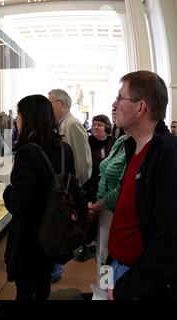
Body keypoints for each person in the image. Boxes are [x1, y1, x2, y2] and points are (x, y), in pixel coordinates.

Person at [107, 70, 177, 300]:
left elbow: (168, 240)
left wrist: (127, 288)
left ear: (140, 108)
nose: (114, 104)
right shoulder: (132, 146)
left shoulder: (167, 153)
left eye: (120, 97)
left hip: (137, 280)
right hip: (115, 266)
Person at [3, 94, 76, 300]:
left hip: (30, 237)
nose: (16, 119)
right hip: (54, 232)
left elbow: (18, 205)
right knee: (43, 283)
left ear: (29, 117)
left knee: (25, 290)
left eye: (19, 114)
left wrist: (8, 188)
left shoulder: (27, 153)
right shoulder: (65, 149)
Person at [48, 88, 92, 282]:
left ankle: (56, 269)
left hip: (68, 189)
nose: (48, 108)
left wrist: (77, 191)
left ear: (62, 103)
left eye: (50, 103)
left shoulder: (72, 124)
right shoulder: (62, 124)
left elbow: (82, 162)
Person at [79, 133, 128, 300]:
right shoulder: (121, 141)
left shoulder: (137, 145)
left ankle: (106, 293)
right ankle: (101, 293)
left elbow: (123, 188)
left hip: (117, 212)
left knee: (111, 260)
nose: (115, 105)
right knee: (102, 257)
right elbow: (104, 178)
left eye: (120, 104)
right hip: (104, 211)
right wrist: (95, 209)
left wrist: (97, 206)